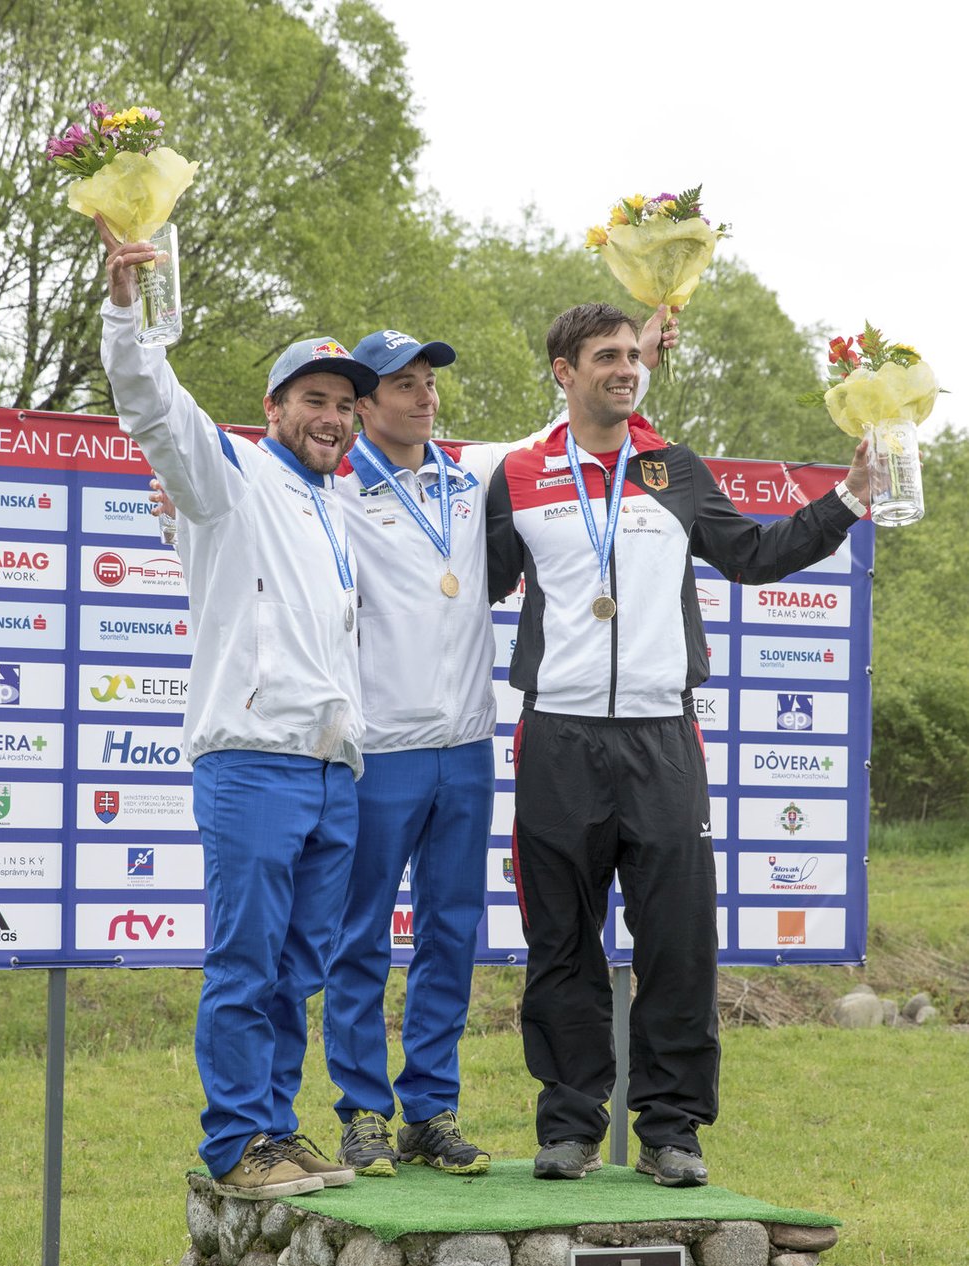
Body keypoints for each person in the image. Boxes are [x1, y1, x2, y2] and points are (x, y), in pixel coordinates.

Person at [485, 302, 871, 1185]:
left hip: (663, 736)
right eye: (606, 356)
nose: (626, 367)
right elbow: (474, 582)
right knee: (562, 942)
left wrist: (848, 498)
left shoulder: (674, 470)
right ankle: (571, 1124)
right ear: (563, 371)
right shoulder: (520, 475)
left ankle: (671, 1130)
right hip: (559, 736)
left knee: (679, 940)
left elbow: (756, 554)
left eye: (634, 354)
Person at [324, 314, 679, 1178]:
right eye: (405, 384)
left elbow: (568, 426)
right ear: (364, 404)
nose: (425, 396)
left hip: (465, 747)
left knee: (452, 934)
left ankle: (431, 1110)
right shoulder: (331, 488)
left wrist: (647, 350)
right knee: (362, 936)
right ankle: (364, 1110)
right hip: (380, 748)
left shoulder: (471, 475)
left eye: (431, 381)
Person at [96, 216, 378, 1199]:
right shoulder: (229, 478)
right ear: (274, 406)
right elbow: (149, 401)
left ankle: (275, 1127)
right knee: (248, 959)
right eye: (315, 399)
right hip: (251, 758)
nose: (333, 418)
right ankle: (234, 1145)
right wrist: (128, 308)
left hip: (327, 765)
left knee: (297, 968)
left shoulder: (332, 506)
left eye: (346, 405)